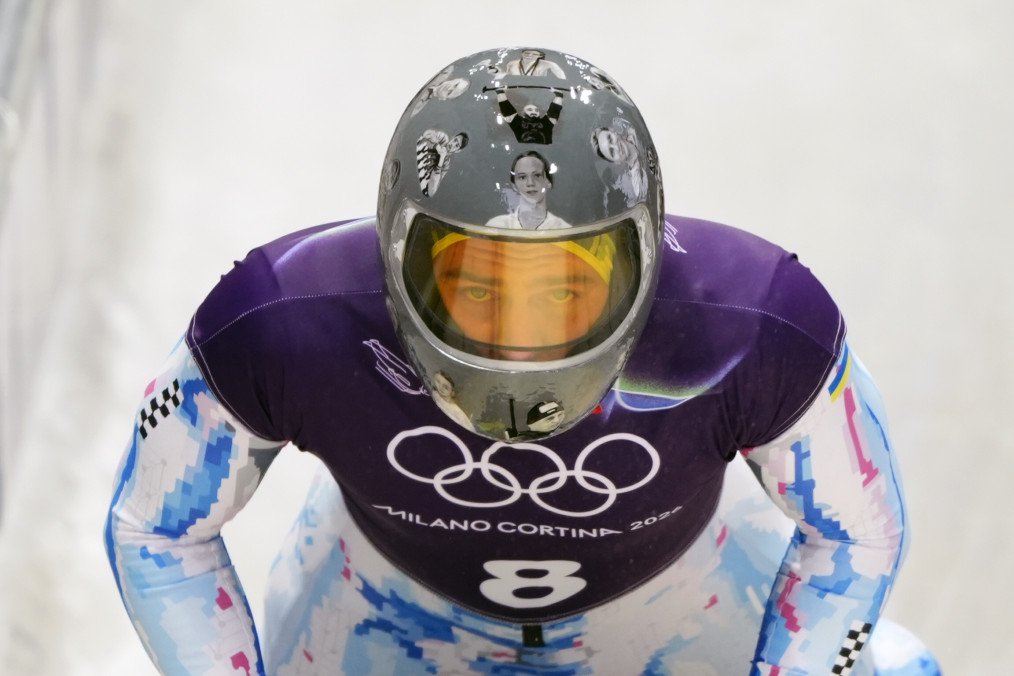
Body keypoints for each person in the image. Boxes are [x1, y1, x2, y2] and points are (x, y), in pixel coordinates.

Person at [105, 47, 940, 674]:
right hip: (684, 597)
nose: (518, 341)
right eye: (477, 287)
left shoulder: (282, 316)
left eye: (564, 290)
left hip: (373, 606)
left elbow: (158, 526)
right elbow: (858, 529)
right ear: (395, 256)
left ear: (647, 261)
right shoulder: (757, 323)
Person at [486, 151, 571, 230]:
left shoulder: (563, 229)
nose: (530, 183)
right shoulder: (496, 226)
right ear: (514, 186)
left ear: (548, 182)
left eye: (537, 175)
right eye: (522, 177)